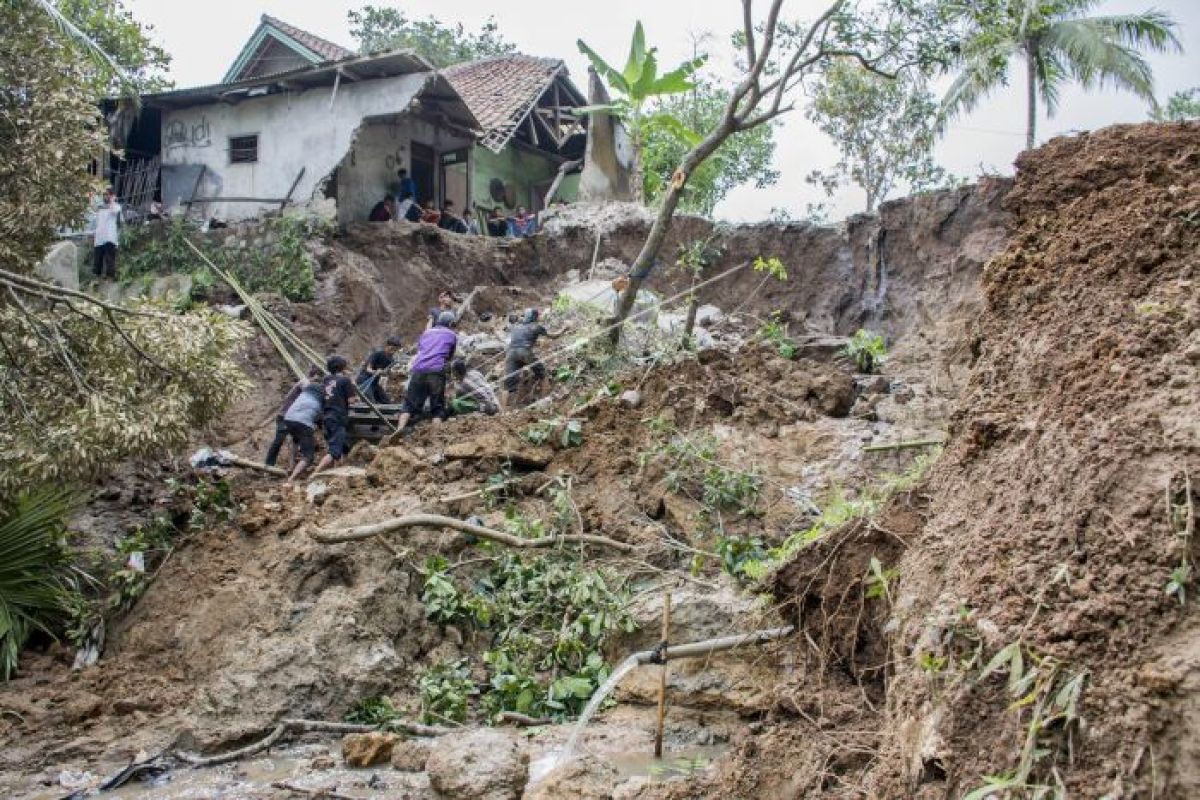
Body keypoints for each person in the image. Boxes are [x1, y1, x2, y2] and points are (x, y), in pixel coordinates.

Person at [394, 312, 458, 434]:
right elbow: (449, 356)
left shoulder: (426, 333)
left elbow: (421, 349)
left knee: (408, 403)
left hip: (418, 369)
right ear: (450, 323)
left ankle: (400, 428)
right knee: (437, 408)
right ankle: (434, 437)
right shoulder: (451, 334)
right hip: (436, 370)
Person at [502, 308, 566, 409]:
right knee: (543, 375)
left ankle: (502, 411)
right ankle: (544, 403)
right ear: (535, 317)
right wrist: (565, 328)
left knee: (507, 385)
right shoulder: (536, 327)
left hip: (510, 354)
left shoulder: (516, 327)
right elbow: (554, 336)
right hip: (524, 352)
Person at [266, 365, 325, 467]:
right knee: (279, 440)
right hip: (285, 415)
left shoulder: (308, 385)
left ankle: (292, 465)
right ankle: (268, 464)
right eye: (318, 379)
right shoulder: (305, 382)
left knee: (295, 442)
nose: (319, 382)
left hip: (295, 416)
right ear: (315, 376)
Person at [312, 355, 355, 477]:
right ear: (343, 367)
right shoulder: (345, 380)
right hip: (338, 417)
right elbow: (352, 400)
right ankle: (315, 473)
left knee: (342, 446)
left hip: (327, 417)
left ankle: (337, 473)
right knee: (334, 451)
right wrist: (352, 384)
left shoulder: (326, 379)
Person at [281, 377, 326, 486]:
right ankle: (291, 479)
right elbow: (320, 421)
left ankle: (291, 467)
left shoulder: (308, 388)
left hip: (288, 418)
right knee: (309, 456)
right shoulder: (324, 398)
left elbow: (299, 385)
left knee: (295, 440)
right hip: (303, 422)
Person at [356, 335, 402, 404]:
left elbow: (388, 373)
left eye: (395, 350)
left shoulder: (391, 360)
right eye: (391, 348)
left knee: (387, 402)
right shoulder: (377, 354)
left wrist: (389, 373)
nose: (392, 351)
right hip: (364, 380)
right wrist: (376, 372)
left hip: (374, 383)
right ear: (386, 346)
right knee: (370, 402)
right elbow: (368, 369)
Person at [93, 187, 121, 279]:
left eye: (107, 194)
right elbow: (94, 210)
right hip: (99, 237)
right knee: (98, 259)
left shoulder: (116, 206)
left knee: (110, 259)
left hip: (110, 237)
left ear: (111, 196)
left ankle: (110, 278)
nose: (105, 196)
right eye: (104, 194)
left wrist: (112, 200)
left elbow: (114, 211)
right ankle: (96, 279)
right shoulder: (100, 207)